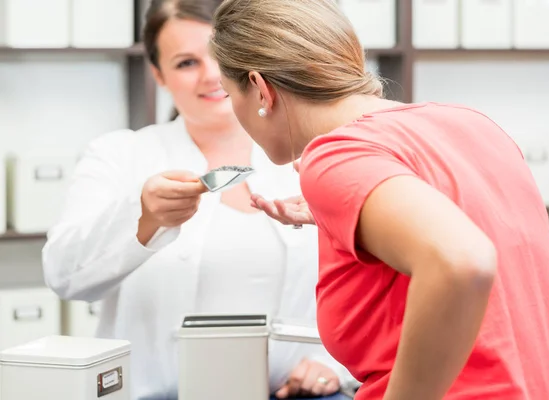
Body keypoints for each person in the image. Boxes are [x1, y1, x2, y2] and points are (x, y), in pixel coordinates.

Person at [208, 0, 549, 399]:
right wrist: (360, 212)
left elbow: (463, 260)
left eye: (227, 93)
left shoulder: (335, 157)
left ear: (260, 89)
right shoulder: (471, 124)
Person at [41, 1, 354, 399]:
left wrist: (333, 366)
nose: (212, 76)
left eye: (221, 57)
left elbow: (364, 287)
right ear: (158, 74)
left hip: (297, 394)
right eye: (186, 63)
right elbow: (65, 277)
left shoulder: (312, 157)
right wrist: (144, 220)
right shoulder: (120, 155)